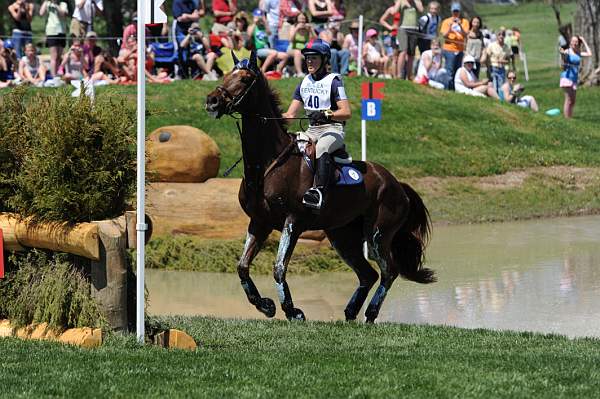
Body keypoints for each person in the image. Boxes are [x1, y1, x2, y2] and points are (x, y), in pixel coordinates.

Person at [282, 38, 351, 210]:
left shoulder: (334, 81)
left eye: (314, 57)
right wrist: (270, 116)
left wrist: (327, 114)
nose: (310, 61)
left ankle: (318, 192)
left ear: (324, 59)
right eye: (307, 58)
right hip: (312, 130)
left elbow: (346, 112)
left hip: (333, 129)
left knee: (321, 148)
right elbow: (291, 115)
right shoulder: (303, 82)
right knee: (291, 145)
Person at [248, 8, 289, 75]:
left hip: (267, 49)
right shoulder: (252, 27)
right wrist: (255, 23)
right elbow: (249, 34)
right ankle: (262, 72)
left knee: (285, 56)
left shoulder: (264, 26)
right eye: (256, 17)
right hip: (258, 50)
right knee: (273, 53)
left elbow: (269, 33)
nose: (259, 18)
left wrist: (265, 22)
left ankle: (277, 72)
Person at [560, 35, 592, 118]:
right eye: (573, 41)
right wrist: (563, 55)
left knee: (572, 101)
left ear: (578, 43)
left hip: (573, 79)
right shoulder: (567, 51)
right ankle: (567, 119)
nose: (574, 43)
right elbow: (563, 61)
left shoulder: (578, 53)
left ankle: (569, 117)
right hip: (566, 78)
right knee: (568, 100)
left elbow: (589, 53)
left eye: (576, 41)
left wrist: (584, 40)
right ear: (570, 42)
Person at [440, 2, 469, 89]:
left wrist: (460, 25)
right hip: (449, 49)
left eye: (457, 11)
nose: (455, 14)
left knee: (457, 70)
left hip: (459, 50)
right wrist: (450, 26)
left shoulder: (465, 22)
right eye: (454, 11)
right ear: (451, 12)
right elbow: (444, 35)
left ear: (460, 12)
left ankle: (454, 88)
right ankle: (447, 88)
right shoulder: (446, 21)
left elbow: (465, 34)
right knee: (449, 71)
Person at [40, 0, 68, 77]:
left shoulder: (63, 4)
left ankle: (58, 75)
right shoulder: (47, 3)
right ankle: (53, 76)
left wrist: (55, 5)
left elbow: (63, 14)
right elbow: (41, 13)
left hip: (62, 31)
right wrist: (45, 2)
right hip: (51, 32)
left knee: (59, 56)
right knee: (54, 56)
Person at [396, 0, 423, 80]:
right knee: (403, 51)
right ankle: (399, 75)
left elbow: (421, 10)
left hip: (414, 29)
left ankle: (409, 75)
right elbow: (394, 11)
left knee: (411, 54)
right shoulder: (401, 1)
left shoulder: (417, 1)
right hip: (403, 29)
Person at [173, 0, 201, 78]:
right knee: (181, 50)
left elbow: (197, 16)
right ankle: (179, 73)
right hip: (180, 30)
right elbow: (179, 19)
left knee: (191, 51)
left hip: (190, 28)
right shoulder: (177, 2)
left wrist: (187, 16)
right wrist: (192, 17)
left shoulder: (192, 2)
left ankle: (192, 73)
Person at [287, 12, 316, 77]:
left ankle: (313, 72)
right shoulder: (293, 27)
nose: (302, 21)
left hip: (304, 49)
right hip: (292, 48)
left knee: (312, 53)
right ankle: (299, 73)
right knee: (298, 52)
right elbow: (290, 40)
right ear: (297, 19)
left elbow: (315, 40)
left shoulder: (307, 28)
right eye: (300, 19)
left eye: (303, 19)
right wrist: (296, 28)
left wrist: (311, 30)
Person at [484, 29, 511, 96]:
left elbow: (508, 60)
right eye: (499, 34)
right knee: (494, 86)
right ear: (496, 36)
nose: (501, 36)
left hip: (502, 69)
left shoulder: (506, 47)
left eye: (503, 35)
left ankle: (500, 100)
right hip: (492, 68)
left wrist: (503, 61)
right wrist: (488, 68)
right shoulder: (491, 45)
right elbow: (487, 58)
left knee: (501, 86)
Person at [379, 1, 401, 78]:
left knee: (403, 56)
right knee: (395, 57)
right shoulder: (392, 9)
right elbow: (382, 20)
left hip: (405, 34)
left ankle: (401, 76)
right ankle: (395, 78)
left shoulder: (406, 9)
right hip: (396, 35)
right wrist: (390, 27)